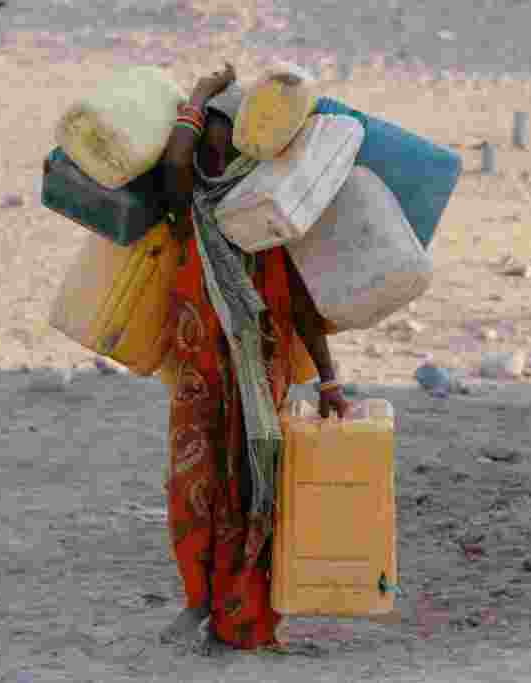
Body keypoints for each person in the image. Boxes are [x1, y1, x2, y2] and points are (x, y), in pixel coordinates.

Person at [157, 62, 351, 655]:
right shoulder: (188, 209)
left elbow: (302, 304)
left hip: (255, 382)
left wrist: (329, 379)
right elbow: (173, 164)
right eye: (210, 132)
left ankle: (246, 621)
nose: (216, 144)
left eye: (226, 134)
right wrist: (198, 96)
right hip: (199, 379)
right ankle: (198, 598)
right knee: (195, 484)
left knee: (253, 488)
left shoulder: (267, 220)